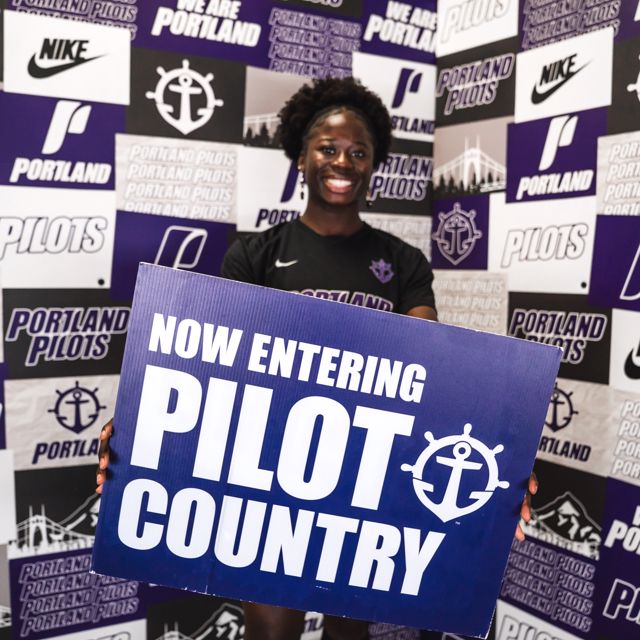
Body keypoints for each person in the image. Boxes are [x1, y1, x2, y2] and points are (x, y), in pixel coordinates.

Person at [97, 77, 537, 640]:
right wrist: (139, 428)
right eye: (328, 148)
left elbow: (433, 376)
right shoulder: (255, 255)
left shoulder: (404, 263)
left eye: (359, 152)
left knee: (348, 633)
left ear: (374, 164)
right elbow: (211, 369)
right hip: (270, 478)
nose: (343, 162)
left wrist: (501, 464)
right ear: (301, 157)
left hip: (365, 483)